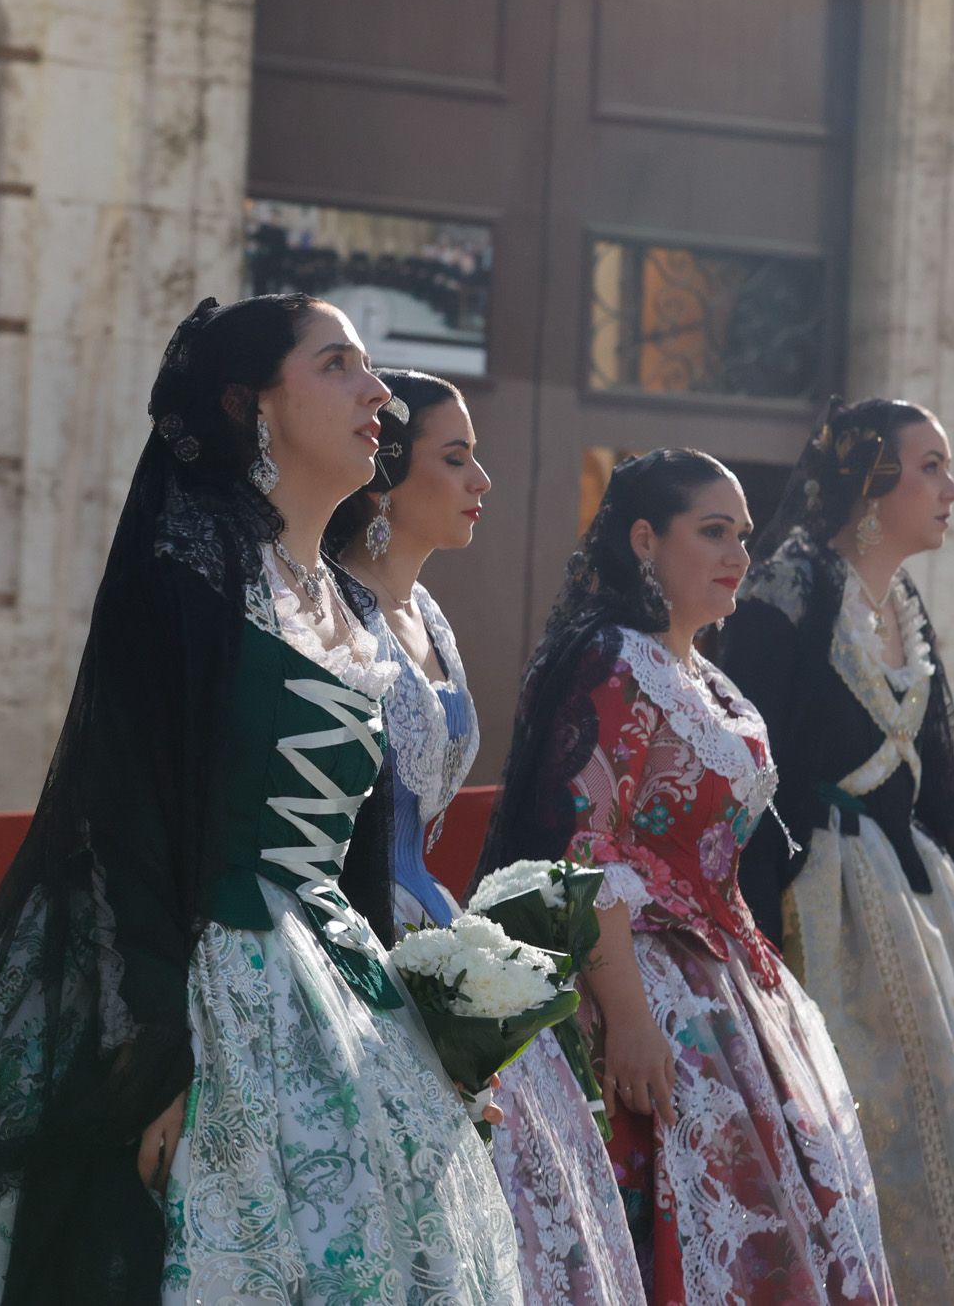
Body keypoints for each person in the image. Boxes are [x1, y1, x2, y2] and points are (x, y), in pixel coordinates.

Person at [0, 296, 520, 1304]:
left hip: (333, 981)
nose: (377, 392)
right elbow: (120, 812)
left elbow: (357, 851)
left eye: (369, 368)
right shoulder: (194, 564)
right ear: (248, 403)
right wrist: (150, 1056)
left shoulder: (347, 603)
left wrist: (426, 1037)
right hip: (198, 975)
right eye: (337, 365)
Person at [476, 449, 894, 1304]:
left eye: (742, 533)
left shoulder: (710, 680)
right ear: (644, 539)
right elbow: (586, 851)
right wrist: (628, 1017)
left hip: (732, 984)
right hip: (634, 990)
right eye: (712, 532)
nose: (738, 551)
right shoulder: (611, 661)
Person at [714, 398, 954, 1302]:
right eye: (930, 466)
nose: (951, 489)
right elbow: (749, 780)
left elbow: (946, 801)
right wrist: (755, 953)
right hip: (825, 917)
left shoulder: (905, 606)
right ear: (867, 483)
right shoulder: (788, 594)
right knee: (861, 1152)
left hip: (931, 926)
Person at [328, 368, 645, 1306]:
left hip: (438, 921)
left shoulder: (430, 618)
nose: (483, 480)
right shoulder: (327, 610)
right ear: (384, 474)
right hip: (361, 932)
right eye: (456, 456)